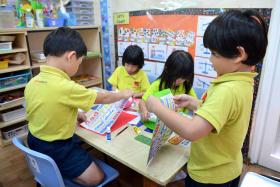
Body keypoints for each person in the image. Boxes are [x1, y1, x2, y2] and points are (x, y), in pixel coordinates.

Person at [145, 10, 268, 187]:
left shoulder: (226, 90)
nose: (210, 60)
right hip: (229, 167)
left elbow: (192, 131)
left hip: (210, 175)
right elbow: (223, 113)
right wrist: (195, 103)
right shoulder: (244, 80)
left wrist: (157, 106)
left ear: (239, 55)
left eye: (215, 54)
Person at [25, 27, 133, 186]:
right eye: (80, 62)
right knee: (97, 177)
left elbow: (47, 108)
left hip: (34, 140)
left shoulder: (33, 82)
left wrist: (74, 115)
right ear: (71, 56)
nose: (78, 66)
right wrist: (122, 94)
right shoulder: (65, 86)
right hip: (57, 147)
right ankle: (58, 175)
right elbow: (104, 97)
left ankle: (53, 169)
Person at [139, 50, 197, 121]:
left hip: (179, 124)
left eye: (184, 78)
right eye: (177, 76)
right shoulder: (157, 84)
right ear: (167, 70)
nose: (181, 81)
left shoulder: (186, 86)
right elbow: (142, 102)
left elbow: (196, 105)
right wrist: (144, 111)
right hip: (159, 123)